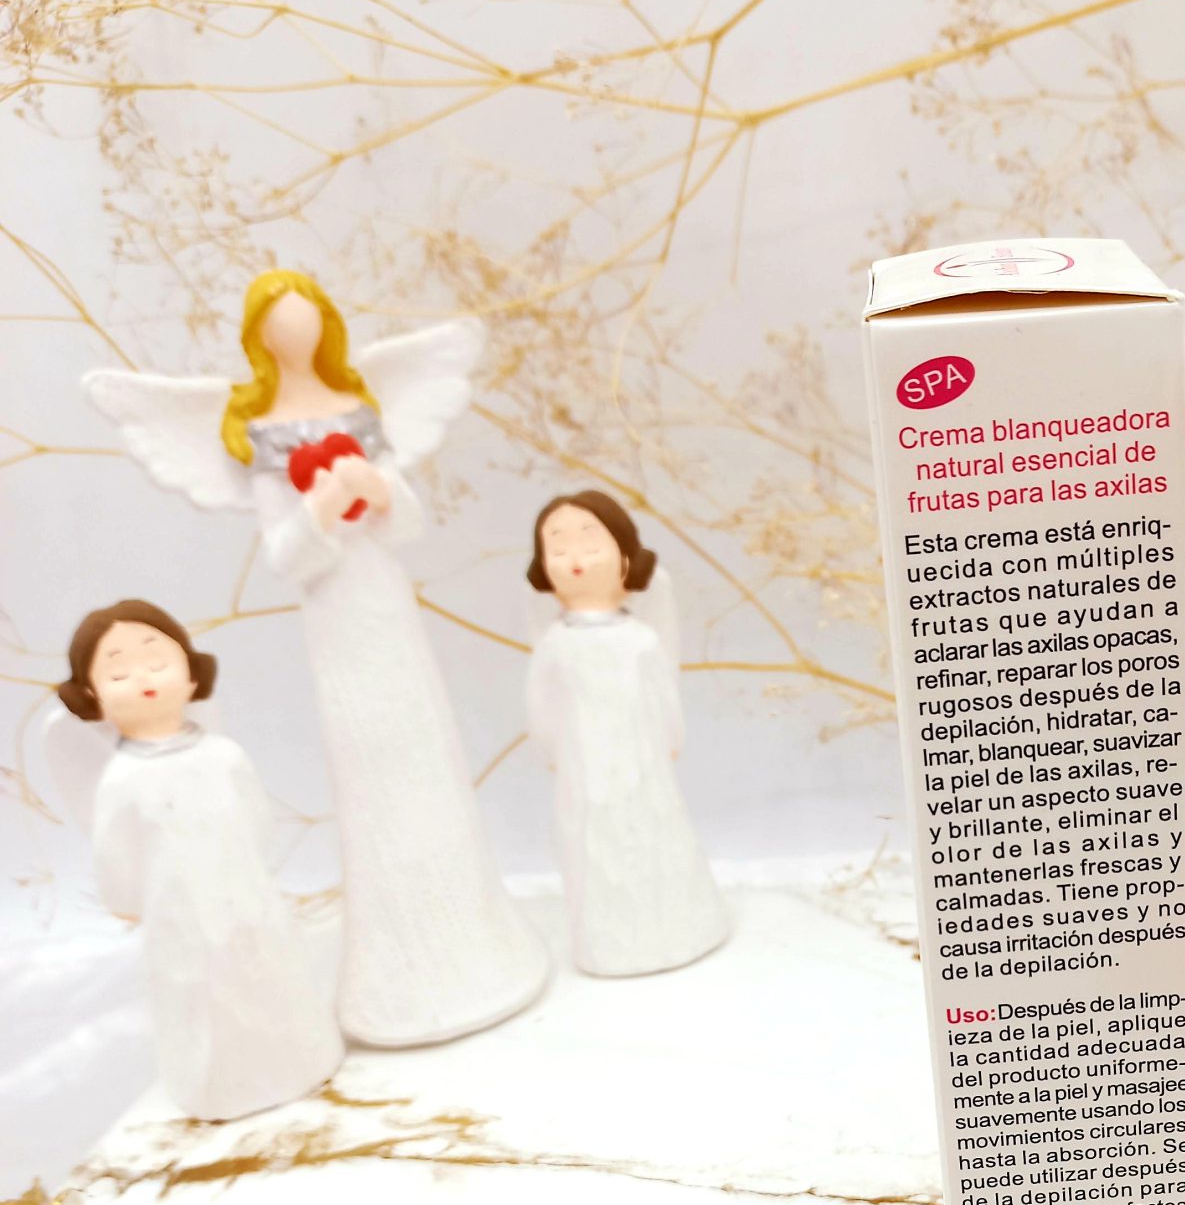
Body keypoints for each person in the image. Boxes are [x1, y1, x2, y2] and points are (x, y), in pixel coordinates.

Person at [85, 272, 548, 1045]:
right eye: (281, 321)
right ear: (261, 336)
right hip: (337, 622)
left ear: (326, 324)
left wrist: (381, 491)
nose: (296, 331)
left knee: (427, 753)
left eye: (308, 317)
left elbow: (408, 525)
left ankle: (477, 939)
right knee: (373, 771)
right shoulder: (260, 430)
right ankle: (400, 967)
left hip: (389, 609)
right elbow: (286, 557)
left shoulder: (359, 406)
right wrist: (323, 511)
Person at [59, 600, 342, 1119]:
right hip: (178, 914)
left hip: (246, 896)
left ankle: (300, 1059)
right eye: (118, 673)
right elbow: (116, 855)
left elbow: (258, 820)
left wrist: (249, 872)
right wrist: (132, 901)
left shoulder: (224, 756)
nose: (143, 677)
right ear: (92, 698)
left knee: (268, 974)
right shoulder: (122, 780)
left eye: (157, 661)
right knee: (202, 995)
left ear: (192, 675)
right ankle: (219, 1085)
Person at [526, 489, 727, 976]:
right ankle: (611, 944)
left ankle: (681, 928)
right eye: (558, 548)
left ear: (624, 559)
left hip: (641, 763)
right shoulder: (556, 643)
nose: (575, 558)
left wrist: (670, 739)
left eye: (591, 544)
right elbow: (542, 703)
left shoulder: (639, 640)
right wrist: (551, 749)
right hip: (585, 769)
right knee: (598, 849)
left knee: (653, 836)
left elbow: (664, 696)